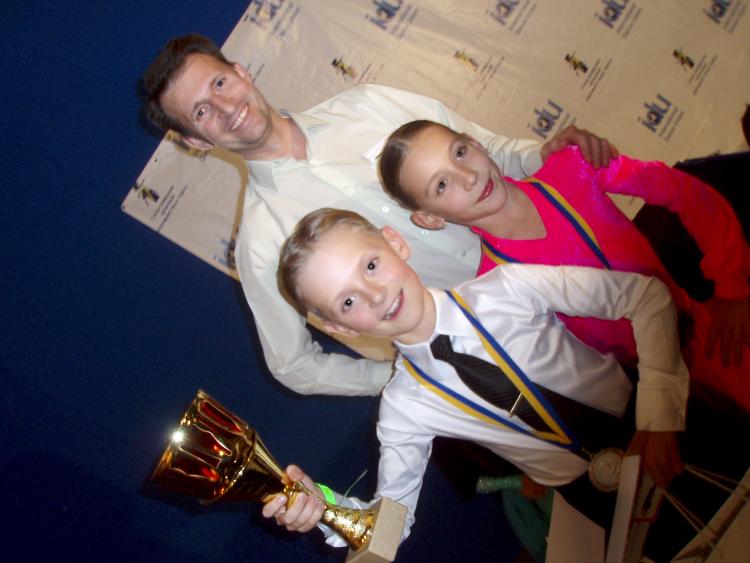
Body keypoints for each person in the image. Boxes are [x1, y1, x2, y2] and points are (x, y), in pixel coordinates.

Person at [142, 33, 616, 397]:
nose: (226, 107)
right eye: (201, 112)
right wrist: (413, 371)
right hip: (505, 358)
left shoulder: (367, 106)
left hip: (571, 262)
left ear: (241, 72)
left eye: (220, 83)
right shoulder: (264, 241)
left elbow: (489, 150)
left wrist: (544, 154)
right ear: (196, 141)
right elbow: (293, 366)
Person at [263, 207, 691, 555]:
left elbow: (645, 297)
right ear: (341, 329)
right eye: (348, 301)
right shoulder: (404, 407)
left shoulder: (507, 288)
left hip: (666, 424)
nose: (375, 295)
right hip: (601, 500)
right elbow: (389, 530)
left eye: (371, 266)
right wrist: (324, 507)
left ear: (395, 243)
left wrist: (660, 416)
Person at [377, 120, 750, 412]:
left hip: (717, 339)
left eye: (460, 152)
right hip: (668, 397)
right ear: (431, 219)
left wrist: (732, 288)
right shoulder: (497, 290)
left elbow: (685, 192)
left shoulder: (572, 169)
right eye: (442, 185)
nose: (469, 177)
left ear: (475, 143)